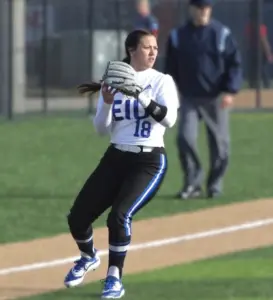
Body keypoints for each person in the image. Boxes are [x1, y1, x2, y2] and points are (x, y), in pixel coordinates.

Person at [63, 29, 179, 299]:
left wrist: (141, 95)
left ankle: (114, 278)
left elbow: (168, 120)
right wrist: (105, 103)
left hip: (149, 161)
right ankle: (89, 256)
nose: (153, 52)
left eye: (155, 47)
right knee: (77, 217)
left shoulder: (162, 81)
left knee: (119, 216)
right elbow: (101, 129)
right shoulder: (115, 78)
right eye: (147, 47)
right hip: (116, 157)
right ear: (131, 50)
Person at [164, 0, 242, 200]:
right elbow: (170, 69)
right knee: (185, 138)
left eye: (207, 8)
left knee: (220, 145)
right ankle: (193, 183)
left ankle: (214, 184)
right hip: (189, 97)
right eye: (200, 7)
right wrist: (172, 92)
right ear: (191, 9)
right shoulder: (178, 36)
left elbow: (234, 64)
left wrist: (230, 91)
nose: (203, 11)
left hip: (215, 97)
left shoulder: (221, 34)